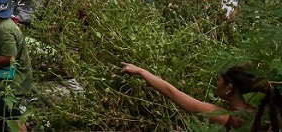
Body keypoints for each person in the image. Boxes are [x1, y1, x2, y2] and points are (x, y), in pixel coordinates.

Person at [121, 63, 282, 130]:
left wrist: (141, 71)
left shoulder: (227, 117)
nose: (216, 84)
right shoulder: (258, 111)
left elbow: (173, 93)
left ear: (229, 88)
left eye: (218, 80)